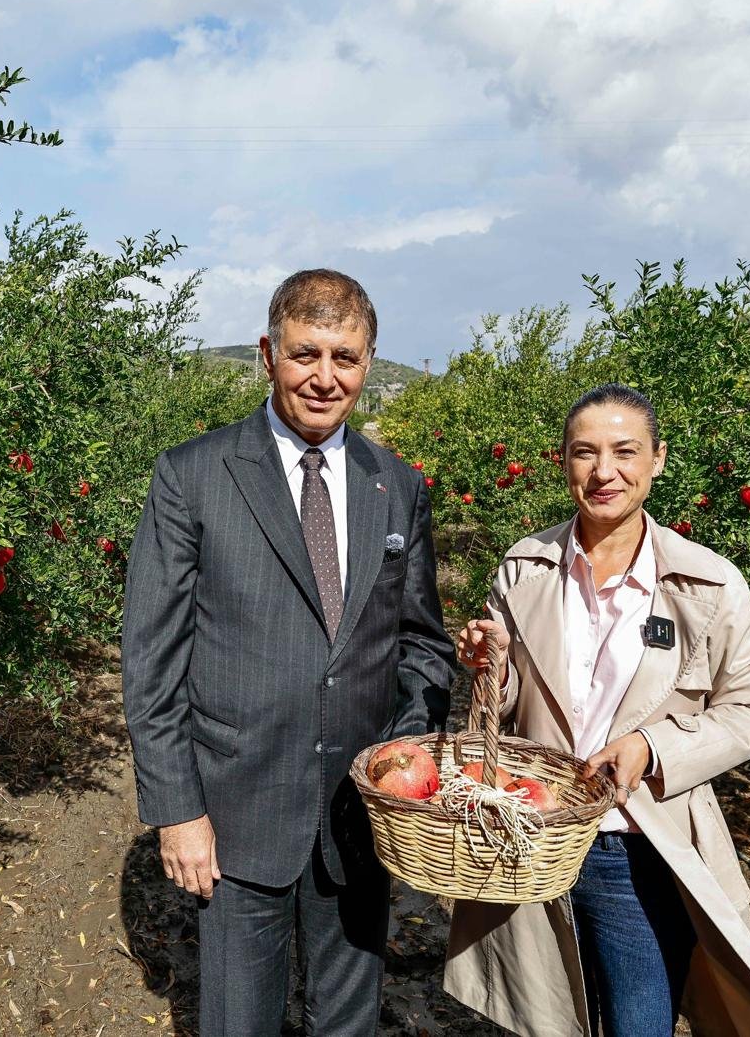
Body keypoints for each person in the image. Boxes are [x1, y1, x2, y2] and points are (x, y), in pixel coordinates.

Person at [122, 269, 454, 1037]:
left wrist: (402, 762)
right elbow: (152, 657)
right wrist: (177, 811)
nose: (326, 378)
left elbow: (423, 646)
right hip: (238, 807)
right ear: (269, 352)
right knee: (240, 1017)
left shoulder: (396, 485)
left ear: (369, 363)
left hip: (360, 814)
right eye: (307, 354)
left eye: (346, 357)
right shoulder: (195, 474)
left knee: (348, 1018)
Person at [444, 384, 750, 1037]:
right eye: (585, 453)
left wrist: (653, 748)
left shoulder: (709, 583)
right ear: (563, 461)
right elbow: (503, 708)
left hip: (636, 852)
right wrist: (490, 663)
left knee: (638, 1023)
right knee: (548, 1017)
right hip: (535, 832)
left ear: (658, 459)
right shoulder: (525, 566)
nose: (604, 471)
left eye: (625, 451)